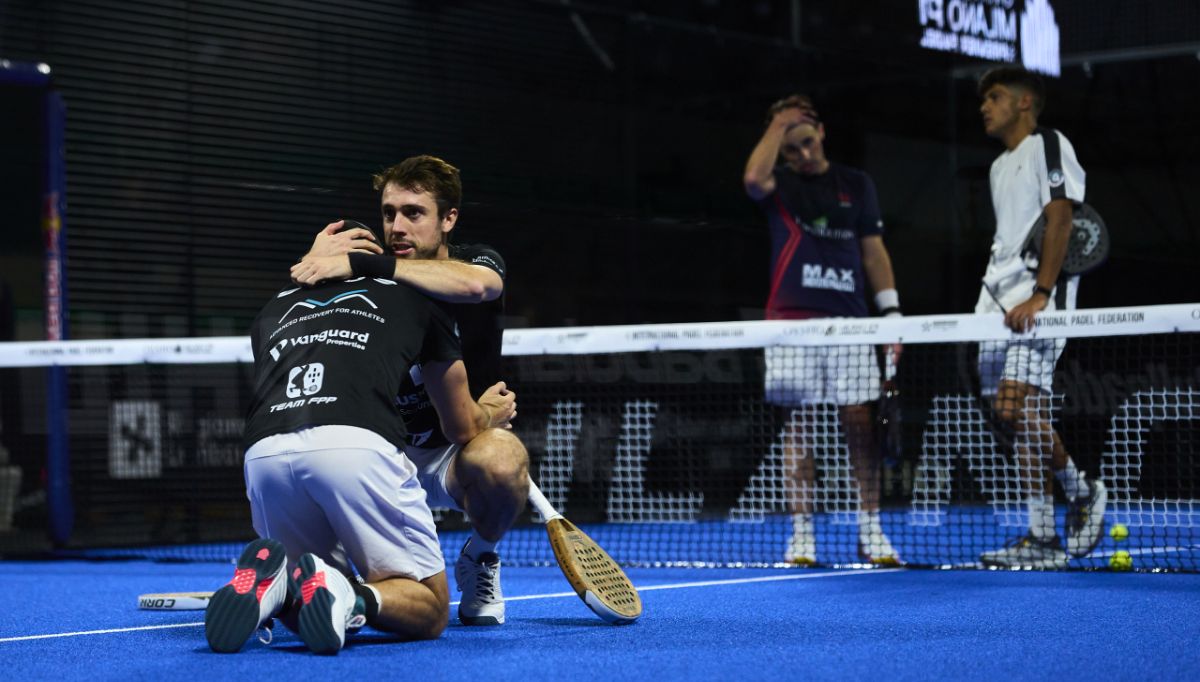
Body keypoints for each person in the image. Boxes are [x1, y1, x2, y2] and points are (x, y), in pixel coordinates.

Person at [204, 216, 517, 654]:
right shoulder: (417, 299)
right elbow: (461, 425)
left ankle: (274, 590)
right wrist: (490, 411)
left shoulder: (272, 308)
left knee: (314, 591)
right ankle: (354, 595)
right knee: (429, 608)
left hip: (264, 457)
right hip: (353, 447)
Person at [289, 155, 528, 625]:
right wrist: (313, 261)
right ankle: (334, 584)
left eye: (414, 213)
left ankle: (479, 557)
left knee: (502, 461)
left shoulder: (474, 260)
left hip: (455, 449)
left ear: (448, 219)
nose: (397, 226)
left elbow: (479, 287)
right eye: (388, 213)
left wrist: (365, 262)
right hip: (378, 450)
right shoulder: (366, 280)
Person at [743, 94, 903, 566]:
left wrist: (892, 314)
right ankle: (802, 535)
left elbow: (873, 252)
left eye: (809, 143)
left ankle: (870, 531)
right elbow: (753, 179)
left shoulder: (856, 184)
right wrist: (779, 125)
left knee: (860, 426)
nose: (805, 155)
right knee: (800, 428)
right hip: (792, 324)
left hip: (850, 323)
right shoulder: (781, 186)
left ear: (823, 133)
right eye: (794, 149)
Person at [973, 66, 1107, 569]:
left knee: (1014, 410)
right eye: (984, 99)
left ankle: (1083, 491)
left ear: (1025, 101)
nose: (985, 106)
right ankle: (1042, 537)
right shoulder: (996, 167)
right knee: (1021, 422)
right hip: (995, 301)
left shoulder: (1049, 143)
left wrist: (1043, 293)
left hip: (1036, 300)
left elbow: (1062, 217)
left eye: (996, 96)